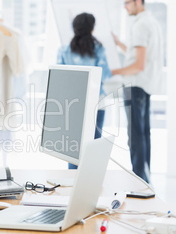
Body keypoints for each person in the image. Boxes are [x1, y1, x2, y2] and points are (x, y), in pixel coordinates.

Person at [111, 0, 162, 183]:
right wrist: (119, 44)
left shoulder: (140, 25)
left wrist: (113, 71)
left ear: (138, 2)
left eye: (127, 3)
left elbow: (138, 65)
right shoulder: (152, 23)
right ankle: (144, 179)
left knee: (135, 136)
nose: (125, 6)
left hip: (135, 85)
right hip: (146, 85)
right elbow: (139, 55)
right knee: (143, 133)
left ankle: (139, 181)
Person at [57, 12, 112, 169]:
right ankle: (90, 186)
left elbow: (59, 78)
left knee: (73, 151)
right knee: (93, 149)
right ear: (92, 29)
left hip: (72, 105)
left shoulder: (64, 50)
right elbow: (105, 73)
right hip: (97, 103)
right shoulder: (98, 49)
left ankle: (72, 187)